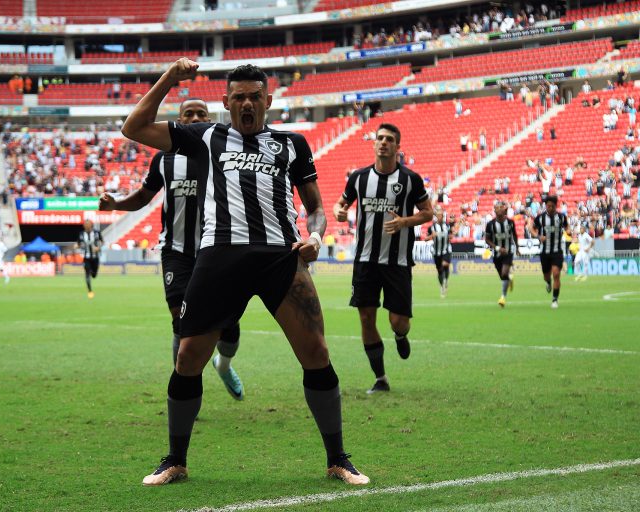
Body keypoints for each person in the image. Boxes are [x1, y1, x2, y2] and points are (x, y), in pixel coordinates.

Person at [122, 58, 369, 486]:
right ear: (226, 102)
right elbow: (134, 127)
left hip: (279, 256)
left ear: (268, 100)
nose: (247, 103)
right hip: (219, 256)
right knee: (187, 357)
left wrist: (315, 236)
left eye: (255, 96)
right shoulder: (205, 136)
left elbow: (315, 209)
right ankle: (175, 460)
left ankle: (337, 459)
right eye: (239, 97)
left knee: (316, 354)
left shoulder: (293, 144)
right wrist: (170, 78)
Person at [99, 98, 244, 400]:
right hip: (176, 251)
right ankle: (186, 388)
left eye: (200, 114)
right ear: (178, 120)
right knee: (181, 320)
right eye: (187, 114)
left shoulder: (224, 155)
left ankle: (224, 364)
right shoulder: (164, 159)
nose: (194, 118)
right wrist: (116, 204)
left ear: (210, 118)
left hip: (216, 250)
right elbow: (143, 197)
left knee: (228, 327)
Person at [332, 123, 433, 393]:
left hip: (397, 262)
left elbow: (428, 213)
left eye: (389, 139)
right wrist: (339, 211)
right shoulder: (359, 178)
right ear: (374, 143)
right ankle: (380, 378)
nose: (383, 143)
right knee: (366, 318)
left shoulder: (410, 179)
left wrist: (404, 222)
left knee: (397, 321)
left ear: (397, 147)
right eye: (379, 138)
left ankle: (401, 335)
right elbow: (340, 204)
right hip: (365, 261)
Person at [530, 195, 569, 308]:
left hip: (557, 251)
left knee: (556, 274)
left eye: (552, 206)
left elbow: (567, 227)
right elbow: (532, 228)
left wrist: (569, 231)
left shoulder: (561, 217)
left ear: (555, 206)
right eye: (548, 206)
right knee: (546, 276)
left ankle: (555, 299)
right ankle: (548, 282)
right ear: (545, 206)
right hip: (544, 252)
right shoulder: (540, 218)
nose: (550, 208)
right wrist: (538, 236)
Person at [485, 202, 519, 308]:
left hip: (509, 251)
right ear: (494, 211)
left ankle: (503, 297)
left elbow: (514, 235)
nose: (499, 209)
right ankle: (509, 277)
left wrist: (517, 247)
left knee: (504, 273)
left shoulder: (510, 222)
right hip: (496, 253)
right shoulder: (490, 224)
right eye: (497, 208)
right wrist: (498, 248)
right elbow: (487, 239)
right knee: (503, 276)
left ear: (504, 210)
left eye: (501, 207)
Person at [426, 205, 452, 298]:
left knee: (445, 264)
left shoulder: (447, 226)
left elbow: (450, 235)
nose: (440, 217)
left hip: (446, 249)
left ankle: (446, 280)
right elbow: (425, 238)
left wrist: (451, 236)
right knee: (439, 270)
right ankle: (442, 286)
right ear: (436, 216)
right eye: (439, 215)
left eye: (442, 215)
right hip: (436, 252)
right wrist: (431, 236)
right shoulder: (432, 227)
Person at [78, 219, 102, 298]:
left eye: (88, 224)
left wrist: (98, 247)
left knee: (94, 275)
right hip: (86, 257)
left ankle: (93, 272)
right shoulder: (81, 234)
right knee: (87, 273)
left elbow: (102, 241)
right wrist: (77, 245)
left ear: (91, 225)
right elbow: (79, 243)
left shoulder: (96, 233)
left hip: (95, 257)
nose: (86, 225)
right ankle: (90, 291)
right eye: (85, 224)